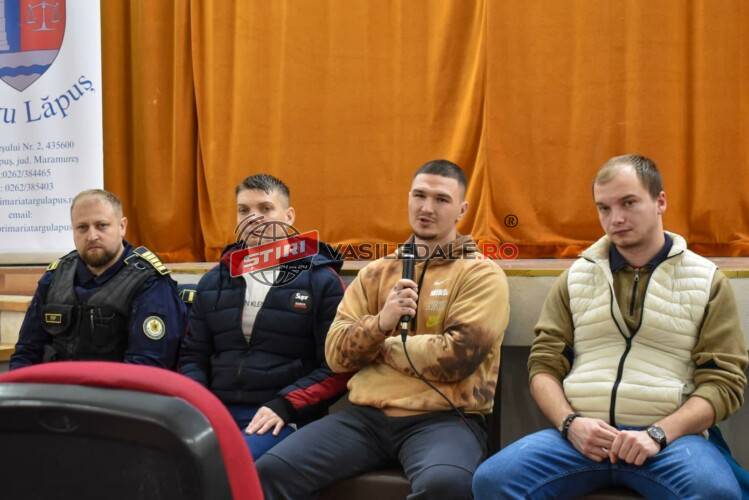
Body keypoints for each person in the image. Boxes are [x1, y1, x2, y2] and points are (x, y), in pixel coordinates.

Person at [473, 154, 748, 499]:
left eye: (629, 203)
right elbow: (543, 366)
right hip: (582, 439)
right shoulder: (575, 278)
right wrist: (571, 424)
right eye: (604, 208)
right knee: (492, 480)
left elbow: (724, 382)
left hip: (668, 442)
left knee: (716, 493)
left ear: (660, 201)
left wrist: (658, 435)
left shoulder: (707, 281)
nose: (615, 219)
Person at [256, 160, 510, 499]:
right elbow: (336, 356)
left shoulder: (481, 275)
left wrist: (381, 346)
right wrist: (381, 323)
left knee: (445, 485)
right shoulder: (376, 272)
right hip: (365, 418)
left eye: (441, 199)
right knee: (269, 472)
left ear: (462, 210)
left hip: (445, 419)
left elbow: (456, 358)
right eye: (419, 195)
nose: (427, 208)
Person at [178, 173, 350, 460]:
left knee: (228, 465)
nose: (253, 219)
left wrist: (285, 406)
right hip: (216, 411)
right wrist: (200, 403)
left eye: (265, 209)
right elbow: (192, 356)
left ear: (289, 216)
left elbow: (338, 366)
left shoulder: (321, 281)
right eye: (244, 210)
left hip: (285, 415)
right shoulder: (213, 281)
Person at [10, 189, 185, 369]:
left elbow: (147, 366)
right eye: (82, 227)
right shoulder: (55, 277)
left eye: (101, 225)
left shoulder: (149, 282)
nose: (92, 236)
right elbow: (27, 352)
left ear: (122, 227)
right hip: (54, 385)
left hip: (115, 386)